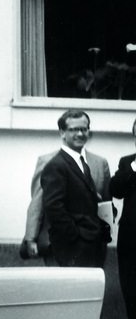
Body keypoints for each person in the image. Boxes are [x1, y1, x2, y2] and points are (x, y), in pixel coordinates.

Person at [39, 109, 112, 268]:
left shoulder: (82, 163)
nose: (80, 134)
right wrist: (76, 237)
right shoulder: (56, 166)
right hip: (73, 247)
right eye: (73, 129)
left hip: (93, 245)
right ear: (62, 133)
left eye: (84, 129)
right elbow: (53, 207)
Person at [110, 116, 136, 319]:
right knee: (132, 298)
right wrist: (132, 170)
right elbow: (115, 189)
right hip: (131, 244)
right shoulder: (128, 162)